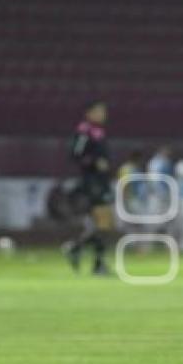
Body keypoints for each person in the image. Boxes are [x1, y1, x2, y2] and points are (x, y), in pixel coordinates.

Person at [63, 100, 114, 275]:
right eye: (99, 111)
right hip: (93, 182)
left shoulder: (98, 131)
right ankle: (96, 264)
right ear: (89, 113)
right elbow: (75, 154)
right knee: (103, 223)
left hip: (101, 181)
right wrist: (93, 162)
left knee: (104, 225)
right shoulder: (84, 131)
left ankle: (78, 250)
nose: (103, 114)